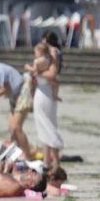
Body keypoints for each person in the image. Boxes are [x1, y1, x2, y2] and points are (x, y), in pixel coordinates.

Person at [29, 41, 64, 173]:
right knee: (46, 127)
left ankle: (54, 162)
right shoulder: (49, 60)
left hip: (43, 94)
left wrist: (34, 72)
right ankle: (48, 162)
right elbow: (54, 80)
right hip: (46, 93)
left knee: (47, 127)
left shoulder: (43, 61)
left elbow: (51, 76)